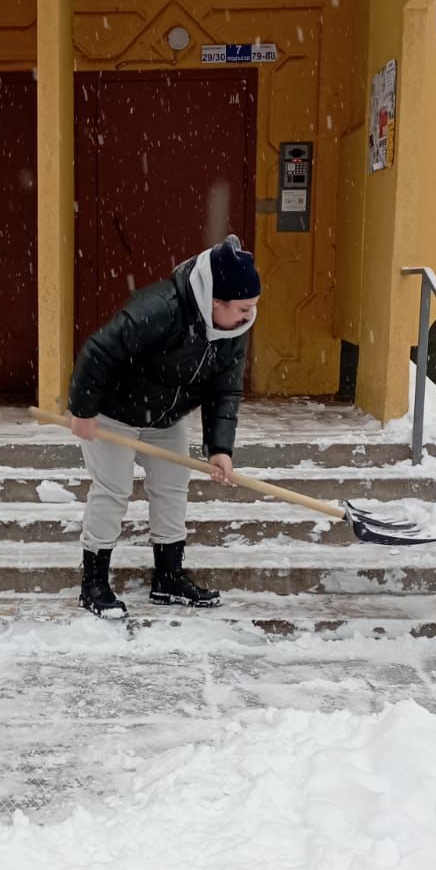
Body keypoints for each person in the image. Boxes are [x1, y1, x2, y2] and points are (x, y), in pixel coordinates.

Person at [67, 233, 260, 619]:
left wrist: (220, 449)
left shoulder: (233, 329)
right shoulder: (161, 307)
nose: (248, 316)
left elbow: (225, 389)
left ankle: (168, 578)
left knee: (173, 487)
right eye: (242, 308)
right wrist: (83, 410)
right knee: (113, 490)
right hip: (114, 412)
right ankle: (94, 583)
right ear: (214, 301)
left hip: (166, 416)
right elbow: (100, 349)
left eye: (253, 306)